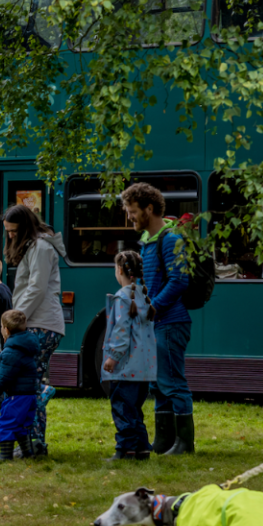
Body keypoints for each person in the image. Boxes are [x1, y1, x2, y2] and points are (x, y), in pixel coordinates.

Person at [120, 182, 192, 455]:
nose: (130, 217)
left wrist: (153, 308)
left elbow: (179, 282)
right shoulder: (147, 243)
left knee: (173, 382)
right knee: (158, 384)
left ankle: (185, 444)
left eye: (133, 211)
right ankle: (164, 441)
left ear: (149, 209)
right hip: (156, 322)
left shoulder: (170, 239)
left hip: (171, 322)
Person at [2, 203, 64, 457]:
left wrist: (15, 319)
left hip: (39, 323)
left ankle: (34, 442)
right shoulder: (36, 245)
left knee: (28, 387)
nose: (11, 236)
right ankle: (32, 441)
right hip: (40, 322)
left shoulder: (40, 247)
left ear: (25, 227)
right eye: (7, 231)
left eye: (14, 231)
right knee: (31, 384)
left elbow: (36, 288)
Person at [102, 250, 157, 461]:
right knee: (134, 409)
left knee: (123, 409)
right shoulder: (144, 297)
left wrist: (113, 357)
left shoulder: (122, 298)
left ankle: (125, 450)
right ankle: (142, 448)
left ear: (119, 271)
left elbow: (121, 332)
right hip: (144, 369)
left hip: (126, 368)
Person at [0, 310, 41, 463]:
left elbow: (5, 376)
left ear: (6, 329)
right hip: (30, 394)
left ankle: (5, 455)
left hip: (16, 395)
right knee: (23, 425)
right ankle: (27, 452)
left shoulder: (11, 351)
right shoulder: (27, 346)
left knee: (6, 423)